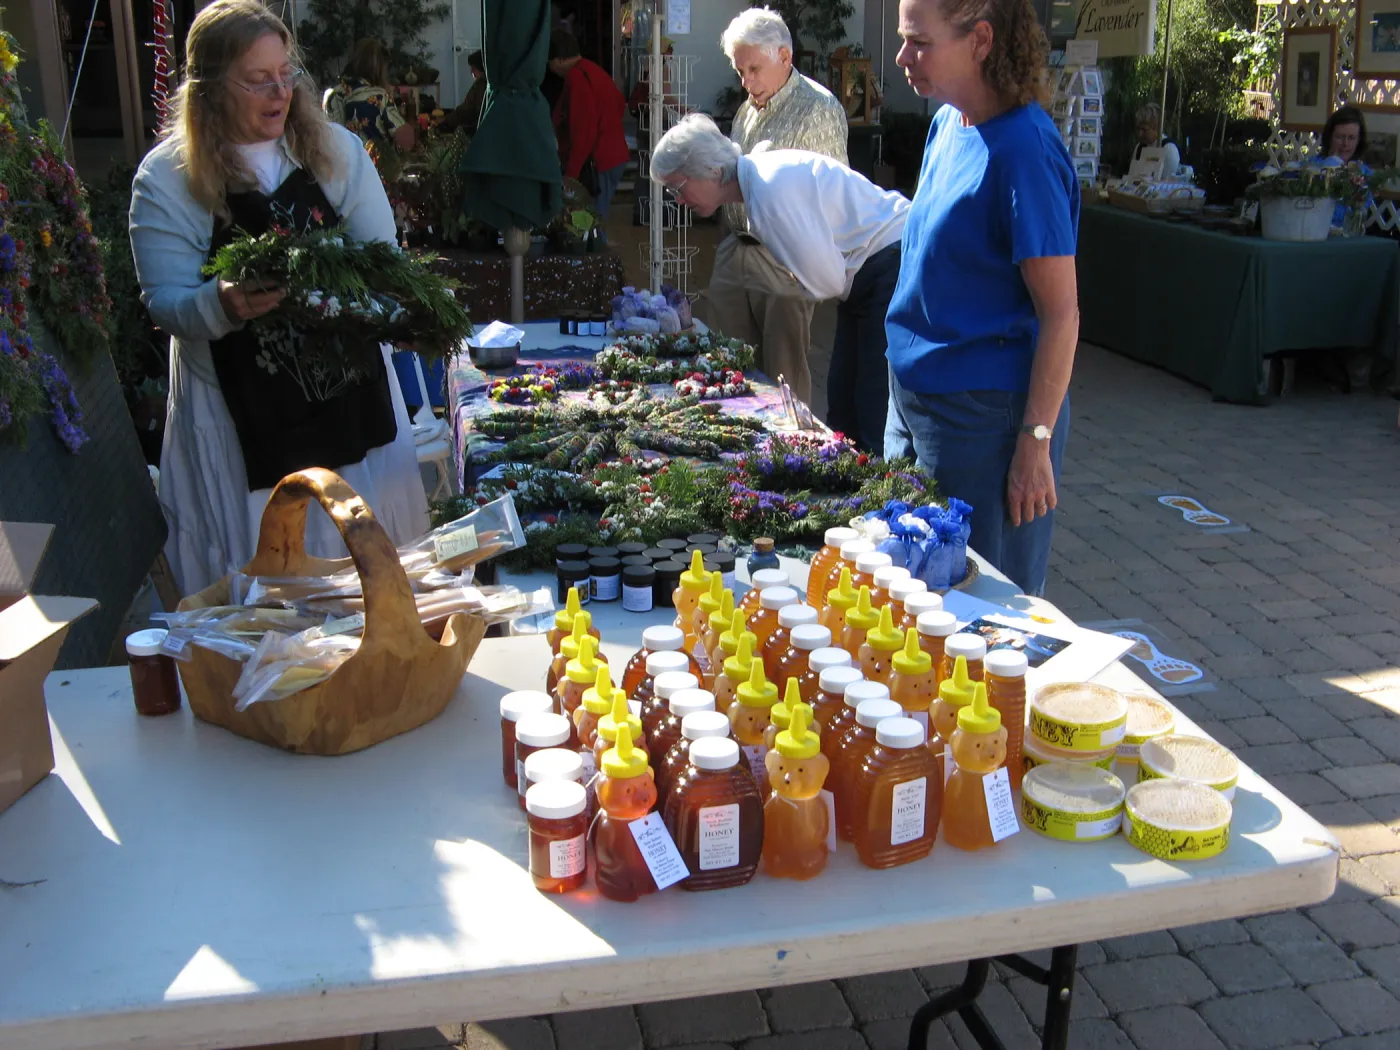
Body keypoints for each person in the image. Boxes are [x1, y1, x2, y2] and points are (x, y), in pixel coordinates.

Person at [130, 0, 428, 596]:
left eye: (286, 74)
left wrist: (400, 310)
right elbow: (163, 300)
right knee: (265, 577)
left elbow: (382, 260)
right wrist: (222, 302)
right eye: (257, 79)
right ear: (211, 88)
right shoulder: (167, 179)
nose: (280, 92)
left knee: (365, 566)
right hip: (240, 417)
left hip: (351, 402)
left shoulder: (335, 151)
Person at [883, 0, 1080, 597]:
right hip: (916, 399)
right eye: (902, 38)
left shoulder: (1025, 150)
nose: (903, 57)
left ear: (981, 40)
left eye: (920, 42)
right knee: (913, 593)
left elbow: (1062, 314)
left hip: (983, 420)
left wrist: (1035, 442)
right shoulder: (948, 124)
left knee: (982, 607)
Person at [653, 114, 908, 451]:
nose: (678, 200)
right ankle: (856, 486)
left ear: (712, 170)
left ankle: (887, 494)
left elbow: (828, 281)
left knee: (871, 404)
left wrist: (789, 283)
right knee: (844, 401)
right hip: (867, 271)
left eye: (678, 187)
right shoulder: (759, 182)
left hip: (889, 261)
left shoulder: (767, 191)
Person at [707, 7, 848, 411]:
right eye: (740, 72)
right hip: (736, 250)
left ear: (784, 57)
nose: (746, 81)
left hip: (784, 260)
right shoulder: (747, 110)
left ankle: (788, 465)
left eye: (753, 69)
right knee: (730, 375)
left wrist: (803, 269)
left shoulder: (818, 108)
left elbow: (833, 197)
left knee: (784, 383)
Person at [548, 29, 629, 219]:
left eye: (549, 63)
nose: (550, 68)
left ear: (559, 59)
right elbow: (618, 103)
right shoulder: (592, 70)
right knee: (594, 217)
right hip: (612, 156)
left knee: (588, 222)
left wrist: (571, 176)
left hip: (599, 160)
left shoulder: (577, 78)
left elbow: (584, 132)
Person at [323, 37, 406, 145]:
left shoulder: (331, 94)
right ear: (378, 69)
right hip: (374, 160)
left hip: (339, 160)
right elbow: (403, 137)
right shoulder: (379, 96)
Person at [440, 50, 486, 135]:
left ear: (482, 68)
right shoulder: (481, 84)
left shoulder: (482, 86)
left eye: (474, 68)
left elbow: (465, 111)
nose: (471, 72)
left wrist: (446, 120)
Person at [1132, 102, 1180, 179]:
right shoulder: (1139, 148)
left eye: (1144, 130)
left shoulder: (1169, 149)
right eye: (1138, 129)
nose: (1140, 134)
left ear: (1157, 128)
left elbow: (1167, 181)